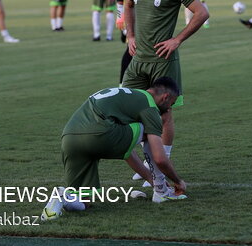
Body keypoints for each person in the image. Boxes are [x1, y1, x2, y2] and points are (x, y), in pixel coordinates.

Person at [123, 0, 209, 185]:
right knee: (129, 110)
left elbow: (202, 12)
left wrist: (177, 40)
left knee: (164, 114)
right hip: (138, 59)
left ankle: (163, 162)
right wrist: (129, 34)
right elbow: (127, 5)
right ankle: (148, 160)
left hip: (164, 61)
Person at [40, 77, 187, 221]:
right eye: (171, 104)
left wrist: (150, 178)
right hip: (99, 135)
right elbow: (160, 158)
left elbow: (126, 151)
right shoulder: (149, 106)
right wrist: (177, 180)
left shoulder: (128, 96)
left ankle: (61, 197)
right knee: (149, 132)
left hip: (69, 139)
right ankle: (161, 192)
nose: (169, 109)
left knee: (84, 203)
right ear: (165, 97)